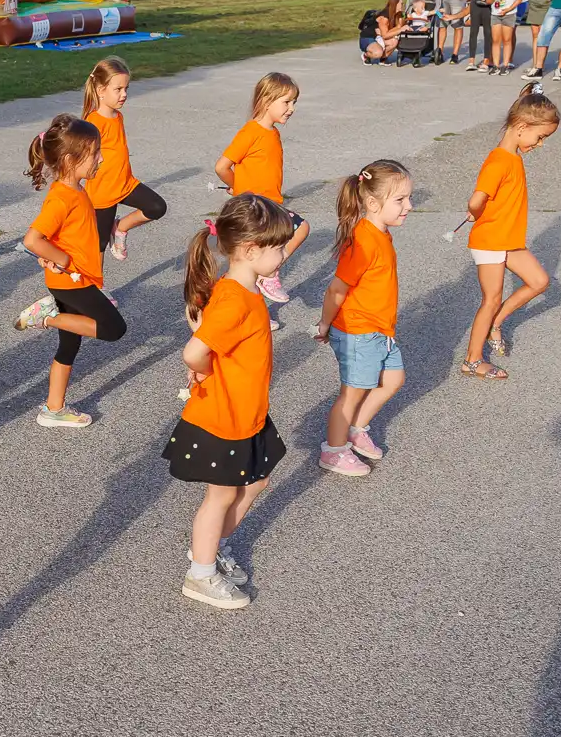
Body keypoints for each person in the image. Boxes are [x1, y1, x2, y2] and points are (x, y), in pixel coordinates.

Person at [167, 191, 296, 610]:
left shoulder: (241, 290)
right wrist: (202, 368)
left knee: (257, 480)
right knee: (219, 496)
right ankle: (200, 575)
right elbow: (193, 351)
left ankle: (212, 550)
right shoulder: (236, 299)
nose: (284, 253)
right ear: (250, 250)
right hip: (225, 417)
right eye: (278, 247)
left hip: (247, 411)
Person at [13, 113, 120, 428]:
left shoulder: (74, 189)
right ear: (71, 160)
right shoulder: (61, 197)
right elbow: (33, 239)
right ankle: (46, 316)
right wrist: (61, 259)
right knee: (114, 328)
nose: (100, 158)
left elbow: (59, 237)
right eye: (94, 154)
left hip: (73, 280)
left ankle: (53, 409)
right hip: (72, 282)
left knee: (69, 343)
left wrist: (54, 256)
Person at [313, 159, 411, 478]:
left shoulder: (380, 233)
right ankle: (334, 450)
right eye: (400, 200)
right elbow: (336, 290)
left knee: (394, 380)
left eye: (408, 198)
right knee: (350, 394)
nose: (408, 206)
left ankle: (356, 429)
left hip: (379, 331)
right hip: (358, 331)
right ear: (372, 203)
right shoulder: (364, 241)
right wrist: (325, 325)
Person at [460, 92, 560, 380]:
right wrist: (476, 211)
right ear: (520, 128)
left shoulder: (513, 159)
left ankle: (497, 323)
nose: (539, 144)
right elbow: (476, 198)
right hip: (491, 240)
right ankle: (472, 360)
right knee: (490, 299)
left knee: (539, 281)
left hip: (508, 239)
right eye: (540, 137)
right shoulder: (499, 161)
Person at [216, 72, 308, 309]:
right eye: (286, 102)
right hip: (258, 209)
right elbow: (222, 166)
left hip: (271, 205)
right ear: (267, 101)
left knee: (251, 266)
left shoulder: (273, 132)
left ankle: (260, 291)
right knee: (298, 229)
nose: (292, 108)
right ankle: (269, 275)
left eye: (294, 102)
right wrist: (238, 188)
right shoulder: (250, 133)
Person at [82, 56, 169, 259]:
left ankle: (120, 228)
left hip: (125, 184)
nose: (124, 95)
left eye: (126, 89)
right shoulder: (93, 122)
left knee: (157, 207)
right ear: (100, 90)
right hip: (102, 193)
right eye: (118, 89)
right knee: (99, 247)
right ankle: (95, 287)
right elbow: (83, 157)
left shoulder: (117, 116)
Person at [486, 0, 525, 75]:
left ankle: (506, 65)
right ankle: (496, 65)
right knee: (495, 40)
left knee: (507, 40)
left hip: (509, 14)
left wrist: (508, 9)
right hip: (495, 14)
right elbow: (488, 0)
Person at [359, 0, 403, 65]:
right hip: (368, 37)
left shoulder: (397, 15)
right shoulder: (384, 17)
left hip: (379, 37)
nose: (402, 6)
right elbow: (385, 35)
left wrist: (400, 26)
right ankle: (366, 55)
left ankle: (383, 59)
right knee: (377, 53)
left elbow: (394, 29)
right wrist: (400, 29)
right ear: (395, 4)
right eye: (401, 3)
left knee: (394, 41)